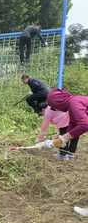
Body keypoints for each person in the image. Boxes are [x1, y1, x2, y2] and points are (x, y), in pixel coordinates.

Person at [43, 88, 88, 216]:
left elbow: (84, 125)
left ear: (58, 102)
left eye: (54, 106)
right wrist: (59, 139)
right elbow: (73, 125)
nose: (55, 109)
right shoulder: (73, 103)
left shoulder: (74, 103)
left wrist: (65, 137)